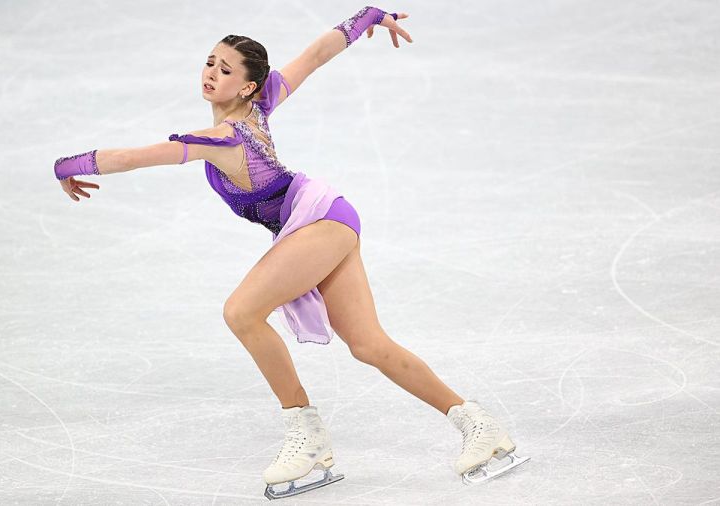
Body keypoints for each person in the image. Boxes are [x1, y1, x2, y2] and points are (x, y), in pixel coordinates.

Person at [52, 5, 529, 500]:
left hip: (320, 221)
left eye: (225, 70)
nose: (211, 73)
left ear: (247, 86)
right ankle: (479, 424)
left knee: (241, 312)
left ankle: (306, 432)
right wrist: (368, 15)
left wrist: (65, 166)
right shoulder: (259, 107)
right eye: (210, 62)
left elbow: (133, 157)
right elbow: (317, 55)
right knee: (368, 345)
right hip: (324, 218)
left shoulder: (223, 138)